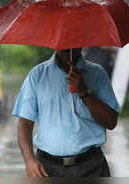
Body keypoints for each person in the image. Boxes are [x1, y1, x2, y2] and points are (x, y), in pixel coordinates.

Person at [13, 48, 119, 177]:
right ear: (55, 44)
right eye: (63, 44)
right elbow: (24, 123)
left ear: (82, 44)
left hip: (92, 167)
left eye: (74, 42)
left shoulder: (97, 74)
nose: (68, 48)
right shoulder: (37, 75)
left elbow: (111, 122)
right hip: (47, 168)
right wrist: (29, 160)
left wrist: (83, 92)